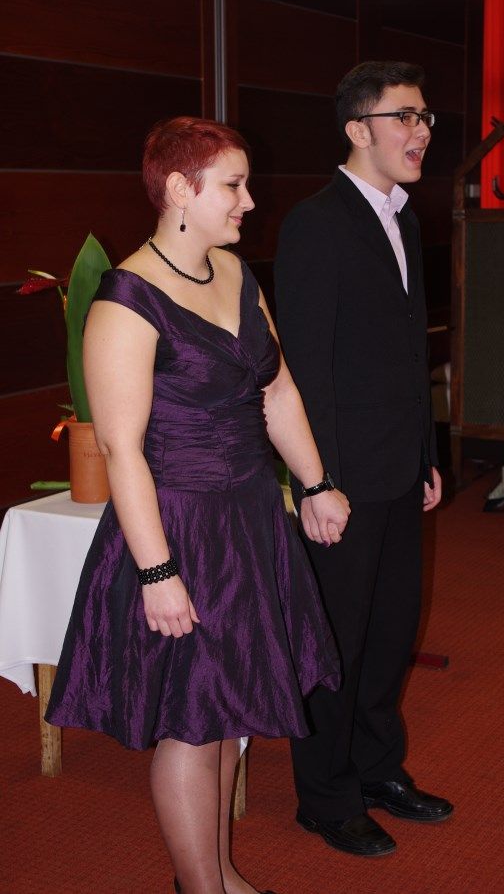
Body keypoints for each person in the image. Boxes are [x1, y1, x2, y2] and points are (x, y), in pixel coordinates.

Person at [45, 116, 350, 894]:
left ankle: (218, 876)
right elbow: (121, 449)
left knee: (225, 712)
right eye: (233, 186)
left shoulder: (235, 274)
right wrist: (157, 573)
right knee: (191, 719)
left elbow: (277, 390)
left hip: (247, 516)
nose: (248, 201)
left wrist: (314, 483)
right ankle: (201, 888)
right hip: (176, 526)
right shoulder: (126, 299)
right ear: (180, 189)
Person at [274, 61, 454, 858]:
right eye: (403, 116)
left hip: (397, 468)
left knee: (388, 633)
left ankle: (378, 768)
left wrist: (424, 454)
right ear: (357, 129)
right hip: (340, 476)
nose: (420, 131)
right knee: (335, 643)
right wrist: (315, 482)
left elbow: (405, 353)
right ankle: (324, 795)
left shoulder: (403, 218)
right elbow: (304, 368)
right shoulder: (316, 223)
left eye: (424, 117)